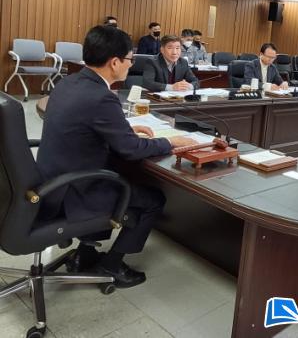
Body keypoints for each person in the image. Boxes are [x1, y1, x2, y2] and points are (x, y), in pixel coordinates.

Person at [36, 25, 196, 288]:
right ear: (114, 62)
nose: (131, 65)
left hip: (51, 183)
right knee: (153, 200)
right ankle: (112, 265)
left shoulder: (68, 82)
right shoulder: (101, 97)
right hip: (75, 191)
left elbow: (87, 126)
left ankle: (85, 253)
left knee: (118, 177)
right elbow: (131, 149)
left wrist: (125, 129)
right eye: (130, 59)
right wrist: (170, 142)